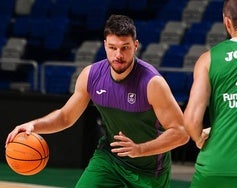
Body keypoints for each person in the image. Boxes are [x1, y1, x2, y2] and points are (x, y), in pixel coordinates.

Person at [6, 14, 189, 187]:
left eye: (125, 47)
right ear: (104, 45)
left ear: (135, 45)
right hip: (110, 159)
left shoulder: (152, 83)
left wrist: (139, 149)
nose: (118, 54)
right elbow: (65, 117)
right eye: (112, 47)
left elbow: (181, 133)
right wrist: (33, 125)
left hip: (149, 169)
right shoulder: (91, 76)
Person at [184, 0, 237, 187]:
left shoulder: (208, 59)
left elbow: (191, 121)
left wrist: (199, 138)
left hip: (216, 169)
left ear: (227, 22)